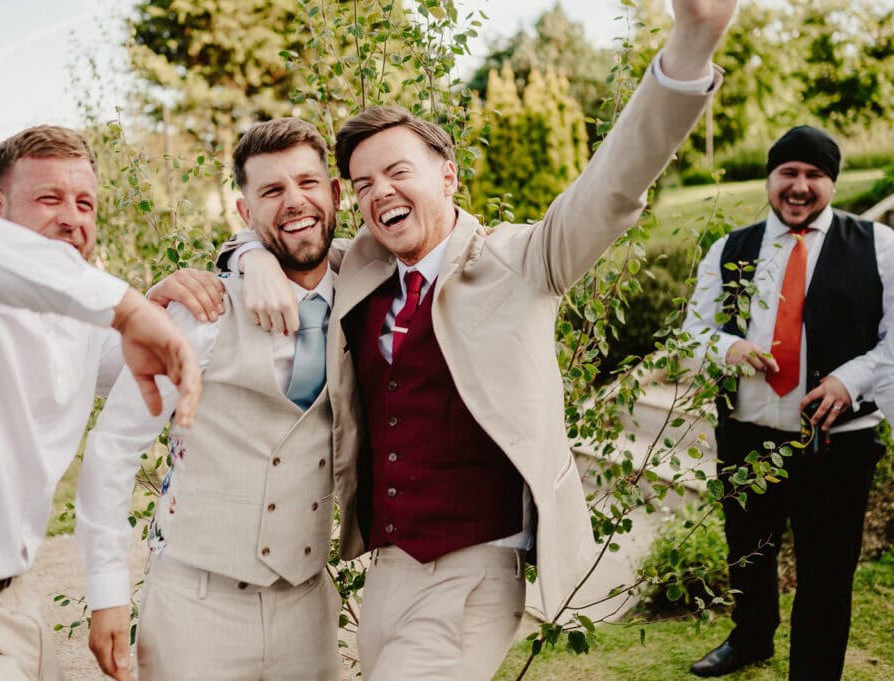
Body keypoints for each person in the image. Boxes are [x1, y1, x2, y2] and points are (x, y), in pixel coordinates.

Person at [219, 2, 736, 678]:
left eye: (399, 171)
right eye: (364, 183)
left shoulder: (523, 259)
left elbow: (614, 184)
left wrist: (693, 42)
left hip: (477, 567)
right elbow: (289, 234)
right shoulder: (362, 267)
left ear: (448, 175)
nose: (381, 193)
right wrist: (245, 257)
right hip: (388, 569)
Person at [0, 125, 205, 681]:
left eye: (85, 203)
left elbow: (186, 362)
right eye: (49, 198)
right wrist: (125, 308)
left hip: (19, 611)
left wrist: (222, 276)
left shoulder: (81, 325)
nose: (73, 217)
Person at [78, 118, 343, 681]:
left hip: (308, 605)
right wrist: (107, 593)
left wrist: (247, 253)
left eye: (308, 183)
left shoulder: (364, 288)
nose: (295, 201)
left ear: (335, 192)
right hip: (196, 608)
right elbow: (114, 447)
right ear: (246, 214)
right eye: (271, 191)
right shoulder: (200, 311)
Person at [682, 125, 894, 680]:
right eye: (789, 173)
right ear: (770, 178)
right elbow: (693, 332)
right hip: (748, 435)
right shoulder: (730, 248)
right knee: (747, 553)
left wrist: (852, 378)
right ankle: (751, 639)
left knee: (827, 570)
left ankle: (814, 671)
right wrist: (729, 347)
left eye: (814, 175)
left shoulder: (878, 245)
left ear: (831, 182)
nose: (800, 187)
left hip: (838, 444)